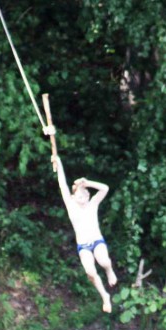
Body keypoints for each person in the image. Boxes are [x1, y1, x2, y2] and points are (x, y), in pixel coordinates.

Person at [44, 125, 118, 312]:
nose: (84, 197)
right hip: (83, 245)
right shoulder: (71, 205)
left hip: (97, 241)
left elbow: (105, 189)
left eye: (86, 194)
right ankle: (105, 297)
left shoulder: (92, 204)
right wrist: (57, 161)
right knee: (90, 273)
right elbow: (61, 181)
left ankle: (109, 271)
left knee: (104, 261)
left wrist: (88, 183)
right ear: (74, 196)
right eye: (81, 194)